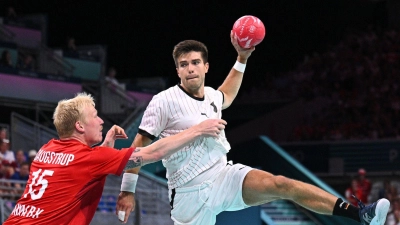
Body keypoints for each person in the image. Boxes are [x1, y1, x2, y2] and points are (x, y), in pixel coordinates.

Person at [116, 34, 390, 225]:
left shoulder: (211, 96)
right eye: (184, 64)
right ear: (177, 71)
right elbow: (139, 144)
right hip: (188, 194)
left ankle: (359, 215)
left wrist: (242, 58)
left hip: (224, 177)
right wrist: (128, 190)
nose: (190, 69)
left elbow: (227, 94)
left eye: (195, 62)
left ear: (206, 66)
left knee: (281, 184)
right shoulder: (163, 101)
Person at [3, 92, 226, 225]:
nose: (101, 121)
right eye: (95, 116)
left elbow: (77, 172)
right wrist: (198, 130)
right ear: (79, 126)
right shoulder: (89, 158)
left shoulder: (46, 150)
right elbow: (153, 153)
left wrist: (105, 148)